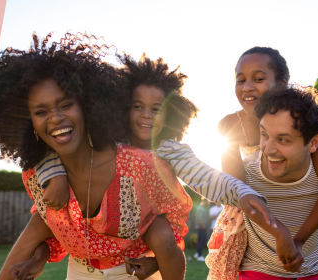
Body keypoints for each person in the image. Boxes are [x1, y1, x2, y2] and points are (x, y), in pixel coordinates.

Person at [29, 52, 299, 279]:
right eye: (138, 106)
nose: (147, 115)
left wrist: (243, 193)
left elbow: (207, 177)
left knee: (160, 230)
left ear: (170, 113)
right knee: (46, 222)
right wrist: (55, 175)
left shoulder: (168, 151)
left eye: (156, 108)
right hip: (97, 242)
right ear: (123, 107)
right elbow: (55, 149)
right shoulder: (105, 144)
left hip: (149, 242)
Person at [0, 33, 194, 280]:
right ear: (29, 123)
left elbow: (173, 216)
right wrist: (37, 259)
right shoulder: (38, 178)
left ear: (88, 105)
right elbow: (56, 230)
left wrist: (156, 255)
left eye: (66, 105)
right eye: (41, 111)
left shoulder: (139, 165)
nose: (55, 117)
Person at [206, 47, 318, 280]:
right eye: (240, 80)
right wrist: (279, 232)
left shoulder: (303, 123)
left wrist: (298, 241)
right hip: (258, 230)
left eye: (259, 78)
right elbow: (239, 194)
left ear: (282, 84)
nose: (247, 87)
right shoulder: (230, 125)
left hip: (306, 227)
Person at [232, 85, 318, 279]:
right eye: (264, 135)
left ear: (314, 143)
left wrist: (298, 241)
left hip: (315, 272)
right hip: (257, 271)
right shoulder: (246, 173)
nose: (268, 150)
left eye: (283, 140)